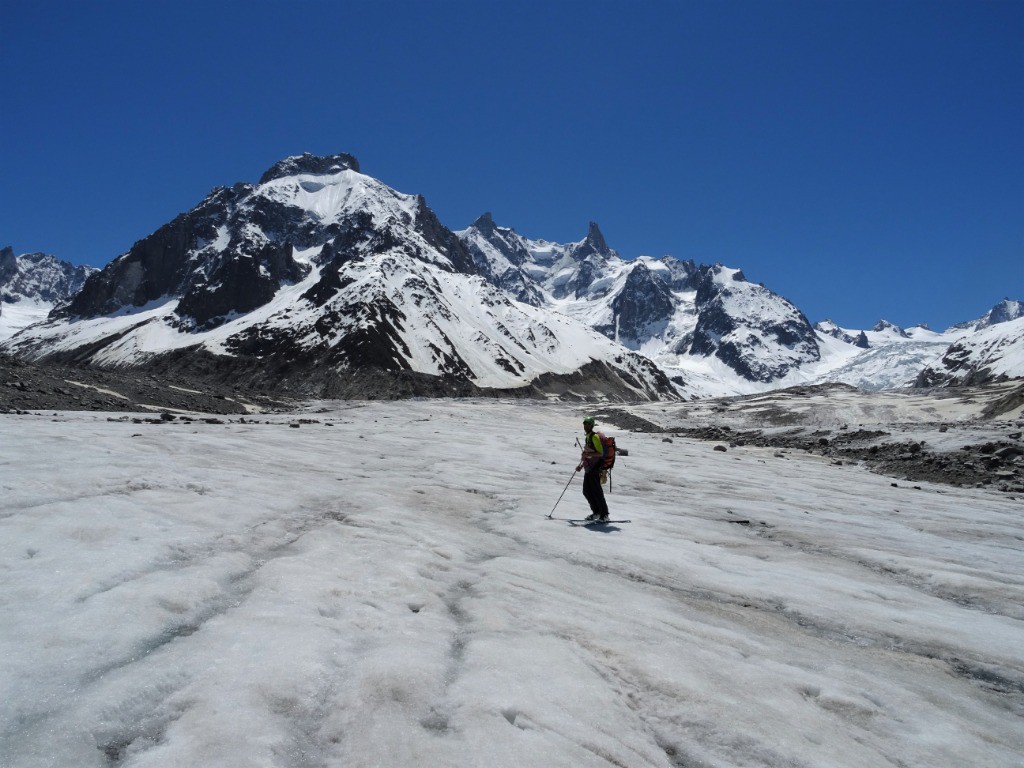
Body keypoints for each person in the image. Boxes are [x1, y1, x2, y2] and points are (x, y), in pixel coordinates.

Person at [576, 416, 609, 521]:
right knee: (586, 491)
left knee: (596, 491)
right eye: (584, 424)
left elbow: (600, 453)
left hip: (595, 467)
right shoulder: (588, 436)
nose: (585, 426)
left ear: (592, 425)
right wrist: (581, 465)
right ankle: (596, 512)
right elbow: (588, 453)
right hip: (589, 467)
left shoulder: (594, 437)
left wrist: (589, 456)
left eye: (588, 424)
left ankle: (604, 515)